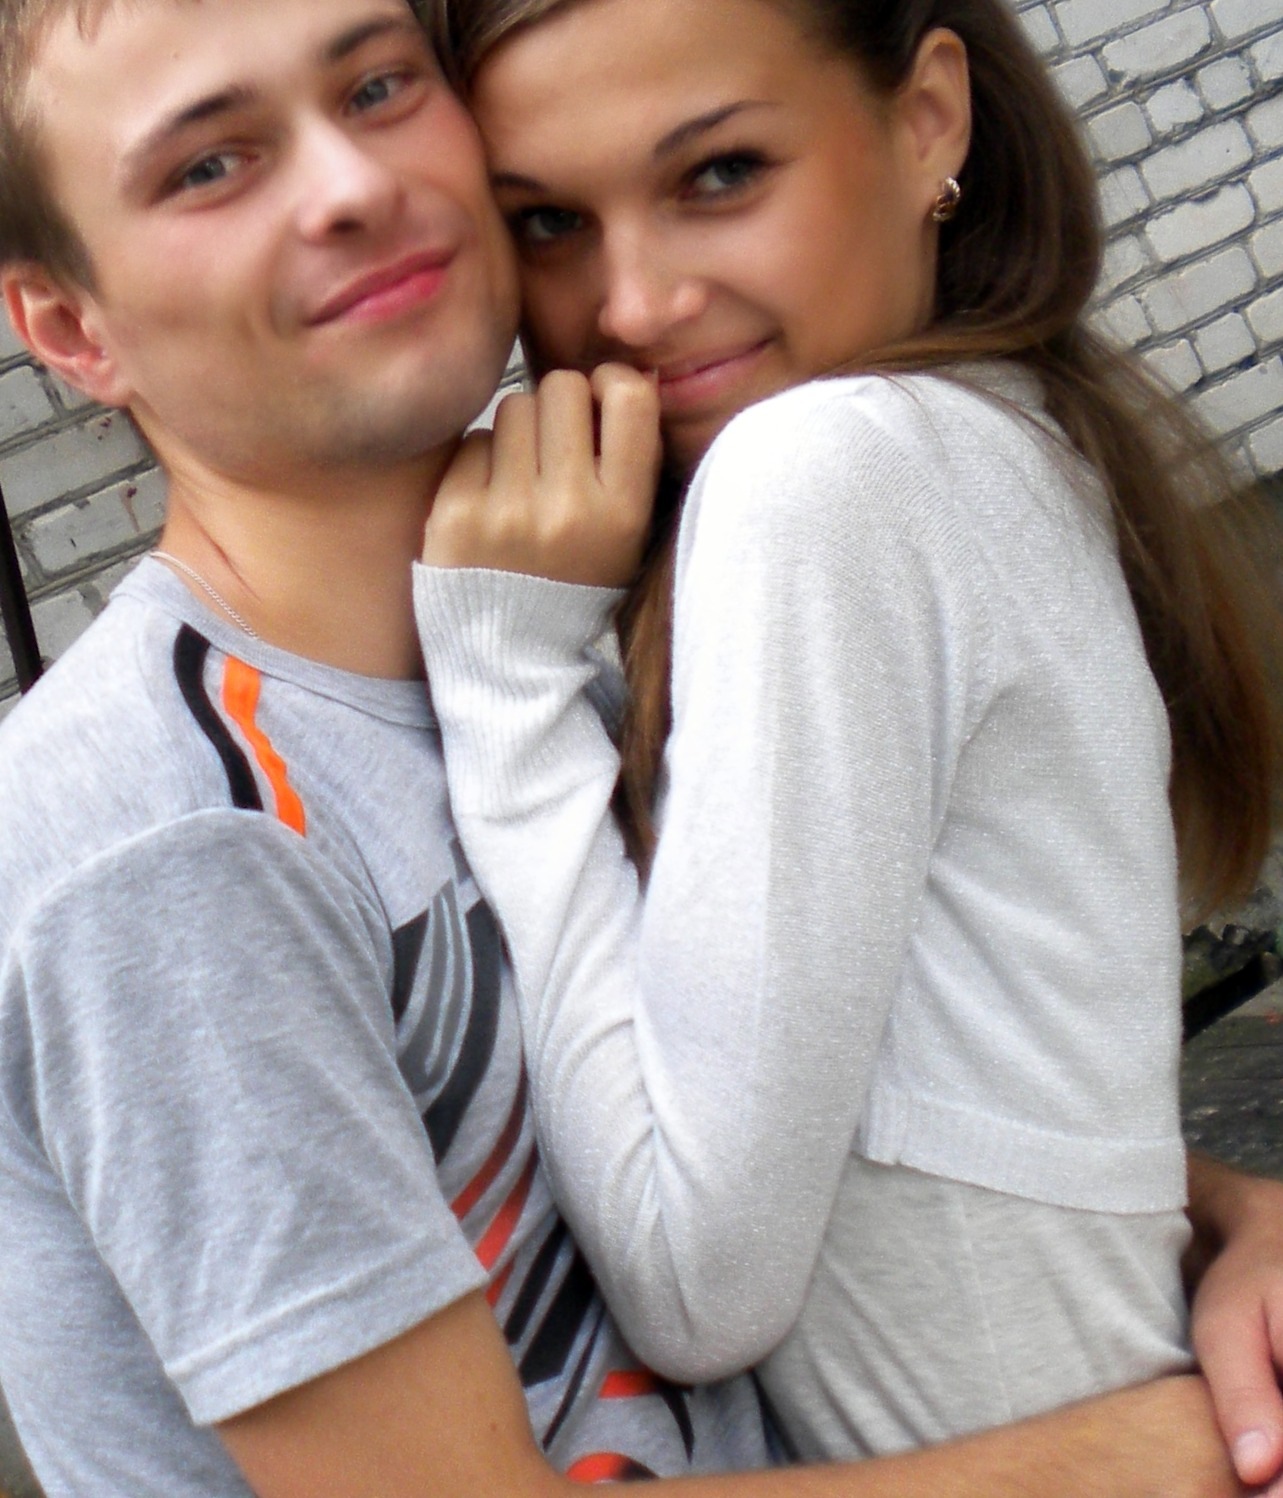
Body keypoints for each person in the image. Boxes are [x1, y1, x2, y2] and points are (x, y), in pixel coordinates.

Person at [0, 0, 1257, 1495]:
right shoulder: (170, 835)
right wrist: (1166, 1446)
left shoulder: (533, 637)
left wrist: (1219, 1217)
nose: (347, 185)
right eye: (209, 166)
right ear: (71, 330)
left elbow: (803, 1102)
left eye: (379, 85)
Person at [414, 0, 1283, 1485]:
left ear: (929, 117)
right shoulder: (993, 431)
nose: (634, 304)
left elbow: (697, 1282)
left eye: (719, 174)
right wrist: (1223, 1201)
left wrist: (504, 685)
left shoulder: (823, 473)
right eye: (549, 219)